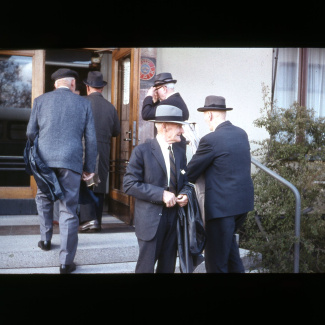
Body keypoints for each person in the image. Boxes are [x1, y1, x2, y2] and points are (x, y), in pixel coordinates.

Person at [26, 68, 97, 274]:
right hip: (71, 162)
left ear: (55, 84)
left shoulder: (40, 101)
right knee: (68, 209)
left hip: (44, 161)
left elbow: (30, 132)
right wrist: (89, 168)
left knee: (43, 197)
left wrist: (45, 147)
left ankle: (46, 239)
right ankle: (66, 262)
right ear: (73, 84)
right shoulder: (84, 103)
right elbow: (91, 138)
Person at [186, 95, 254, 273]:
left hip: (220, 210)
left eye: (205, 117)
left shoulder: (211, 140)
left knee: (216, 263)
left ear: (209, 115)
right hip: (241, 207)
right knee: (231, 255)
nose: (205, 121)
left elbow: (191, 171)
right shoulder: (241, 134)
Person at [123, 104, 192, 273]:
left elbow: (186, 181)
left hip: (174, 218)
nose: (182, 131)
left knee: (167, 268)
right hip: (151, 221)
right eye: (178, 126)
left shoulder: (180, 152)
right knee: (146, 269)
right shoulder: (142, 151)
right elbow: (129, 184)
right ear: (163, 127)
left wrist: (185, 194)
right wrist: (160, 194)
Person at [78, 71, 121, 232]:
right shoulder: (111, 107)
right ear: (101, 88)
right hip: (103, 149)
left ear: (87, 87)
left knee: (84, 182)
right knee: (98, 184)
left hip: (83, 147)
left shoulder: (81, 102)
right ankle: (97, 221)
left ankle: (88, 220)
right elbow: (116, 131)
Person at [142, 72, 189, 150]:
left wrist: (149, 96)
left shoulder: (169, 102)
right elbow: (157, 114)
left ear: (164, 89)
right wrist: (156, 101)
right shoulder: (176, 99)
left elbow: (146, 114)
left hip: (173, 144)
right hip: (177, 144)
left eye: (156, 89)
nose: (156, 92)